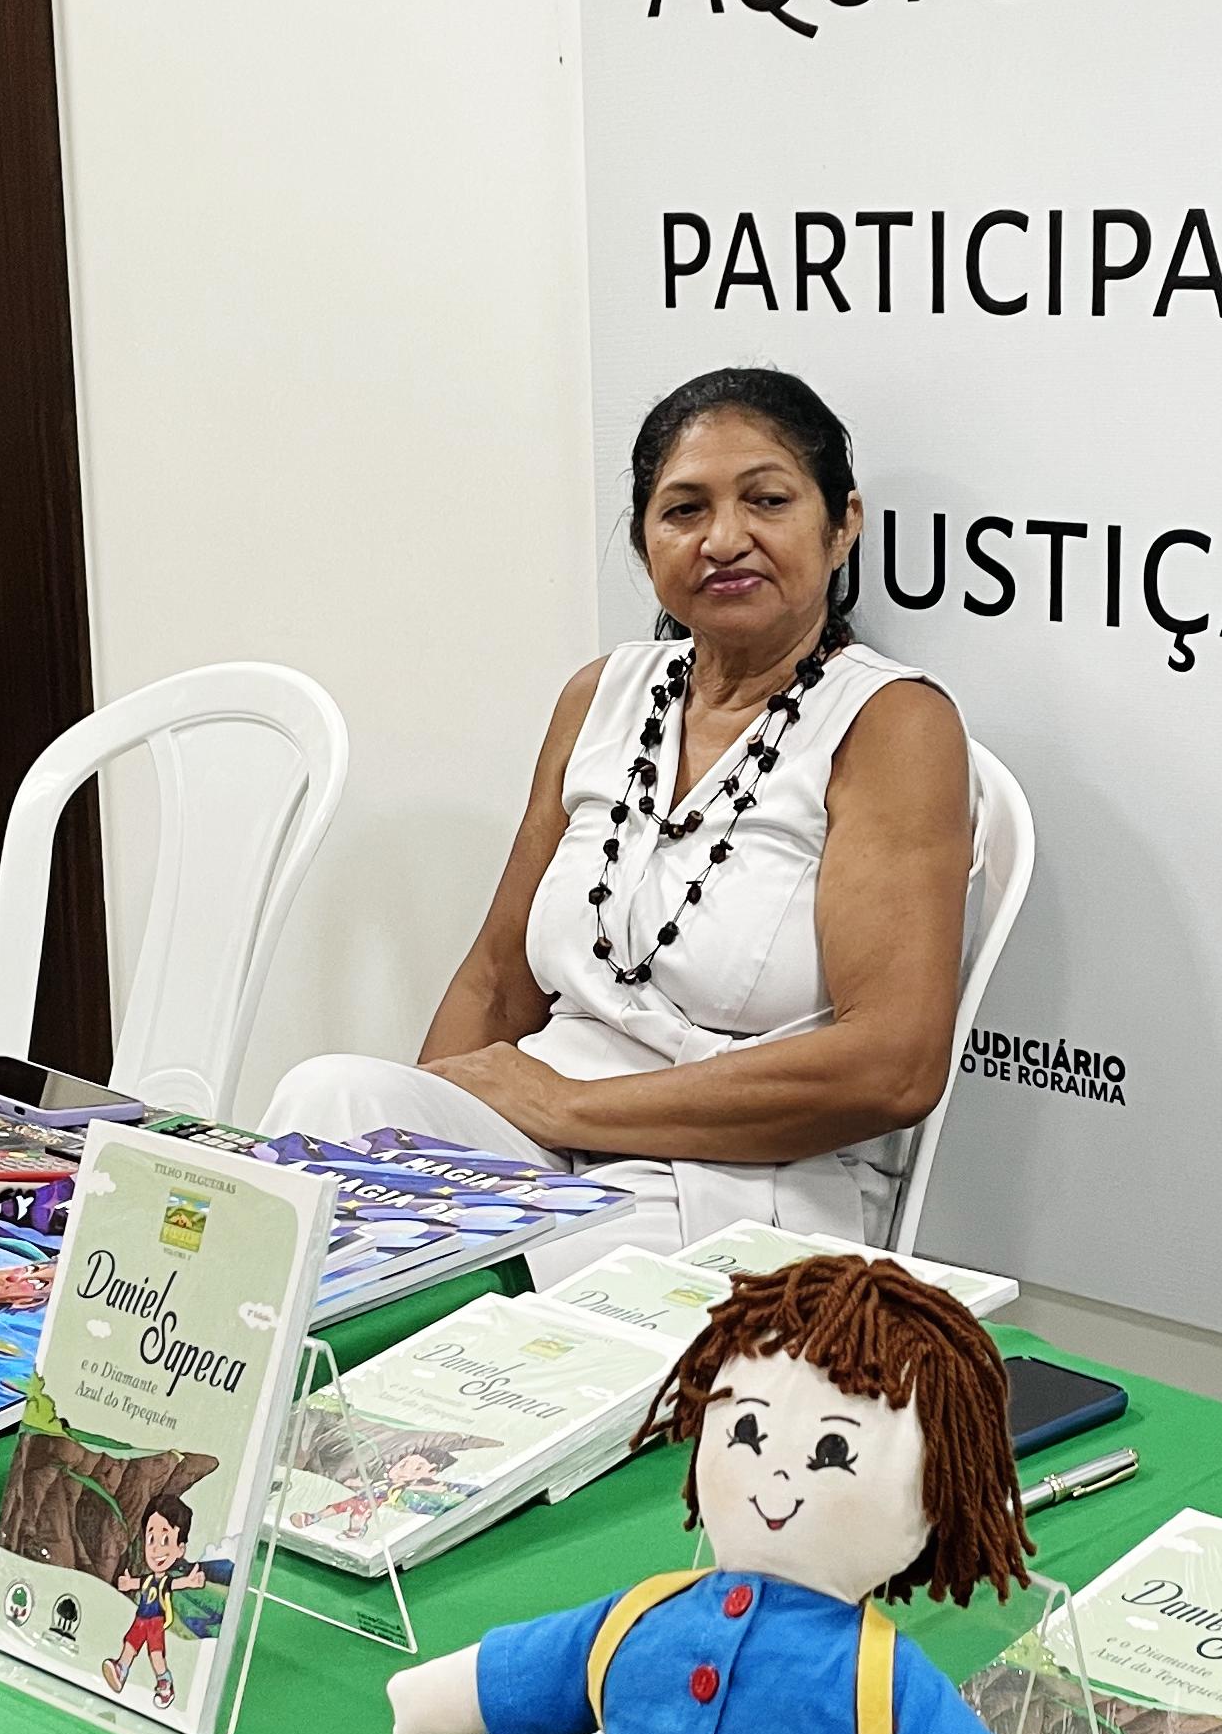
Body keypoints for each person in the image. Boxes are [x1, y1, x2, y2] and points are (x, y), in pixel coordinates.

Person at [263, 369, 974, 1278]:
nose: (725, 539)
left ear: (842, 526)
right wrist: (427, 1141)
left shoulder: (892, 723)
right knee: (327, 1099)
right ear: (645, 543)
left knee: (454, 1278)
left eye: (767, 500)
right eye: (684, 510)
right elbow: (498, 980)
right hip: (538, 1140)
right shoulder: (602, 694)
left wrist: (566, 1107)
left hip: (737, 1178)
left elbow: (893, 1068)